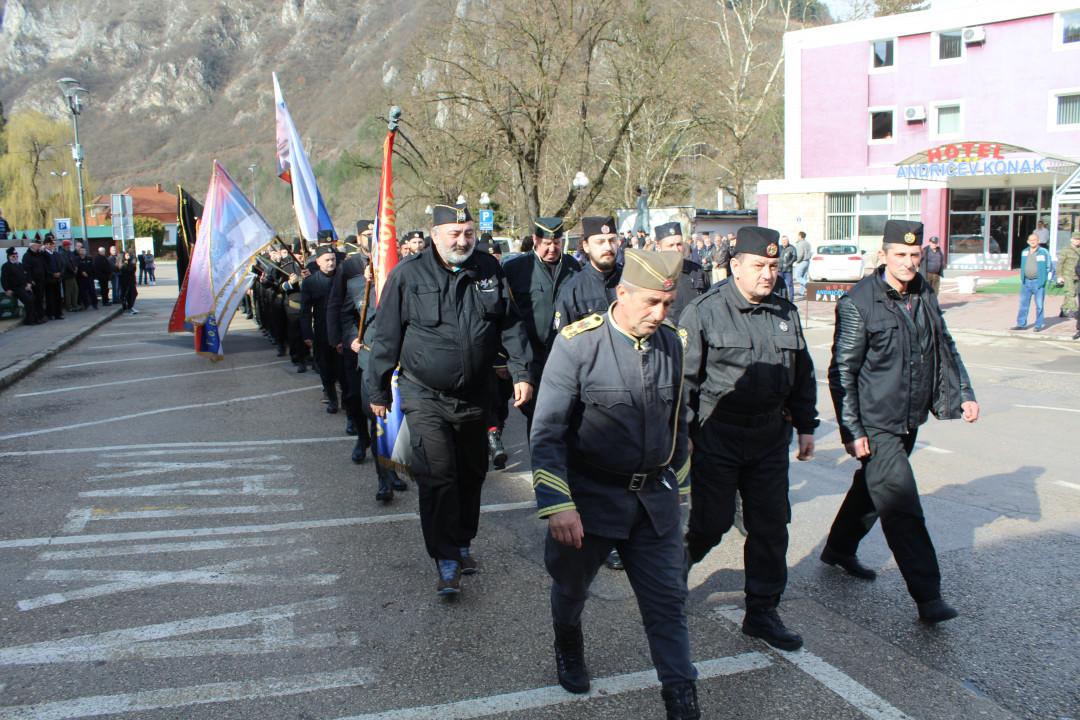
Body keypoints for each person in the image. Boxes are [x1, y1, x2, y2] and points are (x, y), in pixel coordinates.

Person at [531, 249, 699, 719]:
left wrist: (680, 491)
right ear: (621, 293)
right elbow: (546, 432)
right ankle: (568, 639)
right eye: (649, 303)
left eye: (667, 304)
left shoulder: (673, 343)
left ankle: (682, 701)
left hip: (653, 504)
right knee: (571, 588)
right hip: (589, 502)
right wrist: (558, 503)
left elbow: (677, 428)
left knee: (668, 605)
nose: (659, 314)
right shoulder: (577, 344)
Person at [366, 202, 532, 596]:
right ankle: (445, 559)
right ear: (435, 235)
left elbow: (509, 324)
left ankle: (462, 542)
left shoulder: (488, 269)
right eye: (454, 234)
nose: (462, 241)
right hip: (425, 395)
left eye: (468, 234)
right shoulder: (408, 276)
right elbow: (387, 336)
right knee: (438, 476)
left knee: (472, 473)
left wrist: (522, 371)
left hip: (476, 394)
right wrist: (377, 389)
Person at [824, 220, 979, 624]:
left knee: (870, 490)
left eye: (915, 256)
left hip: (909, 417)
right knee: (901, 505)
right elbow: (842, 371)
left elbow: (944, 344)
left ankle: (839, 547)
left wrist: (964, 392)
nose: (909, 263)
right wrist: (852, 431)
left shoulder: (923, 292)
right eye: (901, 255)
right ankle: (928, 596)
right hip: (876, 422)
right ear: (884, 255)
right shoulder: (859, 302)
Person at [681, 226, 818, 651]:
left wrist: (807, 425)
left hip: (768, 437)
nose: (768, 275)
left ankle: (762, 611)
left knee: (771, 526)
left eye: (774, 267)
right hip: (717, 435)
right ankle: (670, 572)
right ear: (735, 266)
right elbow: (684, 381)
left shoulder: (785, 312)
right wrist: (681, 437)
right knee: (713, 522)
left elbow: (802, 374)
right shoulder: (704, 311)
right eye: (759, 266)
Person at [552, 215, 626, 572]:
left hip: (629, 394)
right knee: (590, 473)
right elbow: (562, 348)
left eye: (613, 240)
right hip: (587, 399)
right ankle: (594, 536)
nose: (608, 247)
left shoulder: (631, 283)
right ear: (585, 246)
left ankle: (623, 536)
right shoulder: (573, 290)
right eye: (601, 241)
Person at [502, 217, 580, 432]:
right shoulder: (516, 269)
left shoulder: (573, 267)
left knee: (567, 419)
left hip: (565, 357)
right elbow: (505, 316)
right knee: (539, 421)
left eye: (557, 243)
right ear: (535, 240)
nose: (552, 248)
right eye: (546, 243)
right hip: (532, 357)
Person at [300, 246, 343, 413]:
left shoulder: (343, 279)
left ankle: (347, 401)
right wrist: (307, 334)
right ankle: (332, 399)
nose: (331, 263)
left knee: (344, 370)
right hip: (322, 332)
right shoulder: (311, 282)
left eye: (333, 259)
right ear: (318, 262)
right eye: (327, 260)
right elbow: (304, 311)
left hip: (341, 331)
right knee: (325, 368)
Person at [654, 221, 707, 320]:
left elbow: (708, 303)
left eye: (679, 244)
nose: (676, 249)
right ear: (658, 246)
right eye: (670, 245)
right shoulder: (652, 273)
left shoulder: (697, 271)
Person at [1012, 233, 1051, 332]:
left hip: (1038, 282)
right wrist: (1023, 278)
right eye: (1031, 240)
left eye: (1035, 240)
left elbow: (1049, 266)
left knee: (1039, 305)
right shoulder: (1024, 252)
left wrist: (1044, 280)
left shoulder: (1043, 252)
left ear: (1038, 241)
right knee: (1023, 304)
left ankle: (1038, 325)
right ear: (1028, 242)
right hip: (1026, 283)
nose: (1033, 241)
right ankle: (1021, 324)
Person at [2, 247, 35, 324]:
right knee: (28, 300)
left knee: (33, 298)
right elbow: (4, 279)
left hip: (24, 286)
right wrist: (7, 289)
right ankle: (29, 320)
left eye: (16, 256)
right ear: (9, 257)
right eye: (13, 256)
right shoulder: (6, 266)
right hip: (15, 288)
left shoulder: (20, 265)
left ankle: (33, 318)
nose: (15, 257)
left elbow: (26, 276)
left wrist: (29, 284)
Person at [22, 236, 49, 323]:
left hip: (41, 280)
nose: (39, 247)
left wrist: (43, 251)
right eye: (37, 245)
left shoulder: (39, 254)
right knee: (35, 300)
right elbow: (26, 270)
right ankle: (36, 317)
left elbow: (46, 261)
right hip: (34, 281)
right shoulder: (27, 256)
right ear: (32, 246)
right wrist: (30, 280)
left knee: (40, 299)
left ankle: (41, 315)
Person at [1055, 231, 1080, 319]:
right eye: (1076, 239)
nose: (1077, 241)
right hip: (1067, 275)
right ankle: (1075, 311)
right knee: (1070, 293)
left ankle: (1064, 309)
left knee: (1072, 293)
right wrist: (1059, 276)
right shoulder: (1065, 250)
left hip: (1077, 276)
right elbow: (1060, 264)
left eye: (1079, 239)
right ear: (1071, 240)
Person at [43, 235, 64, 320]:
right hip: (49, 279)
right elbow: (45, 267)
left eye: (53, 244)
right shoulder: (44, 255)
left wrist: (60, 273)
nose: (53, 246)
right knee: (50, 298)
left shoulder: (56, 254)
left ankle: (58, 313)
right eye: (51, 244)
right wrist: (52, 274)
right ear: (47, 245)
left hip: (57, 279)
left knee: (58, 297)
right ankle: (50, 314)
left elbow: (62, 264)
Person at [59, 240, 79, 312]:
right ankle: (69, 306)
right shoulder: (62, 253)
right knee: (68, 291)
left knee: (75, 290)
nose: (69, 246)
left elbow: (74, 261)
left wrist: (76, 267)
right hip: (67, 275)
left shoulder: (70, 253)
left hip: (73, 274)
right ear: (65, 246)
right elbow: (66, 263)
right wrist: (73, 270)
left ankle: (75, 304)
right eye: (68, 245)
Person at [76, 245, 97, 310]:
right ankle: (86, 304)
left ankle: (94, 304)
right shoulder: (77, 259)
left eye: (84, 251)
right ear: (79, 252)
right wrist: (81, 272)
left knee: (92, 291)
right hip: (81, 278)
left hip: (89, 277)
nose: (82, 252)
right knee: (83, 292)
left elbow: (92, 267)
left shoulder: (89, 258)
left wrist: (89, 274)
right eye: (81, 251)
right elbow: (77, 267)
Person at [119, 249, 138, 314]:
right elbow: (124, 269)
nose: (128, 256)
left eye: (129, 255)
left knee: (134, 293)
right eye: (127, 255)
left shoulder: (130, 262)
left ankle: (130, 306)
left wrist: (133, 264)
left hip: (131, 280)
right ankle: (127, 306)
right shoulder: (123, 262)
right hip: (125, 281)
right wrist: (126, 264)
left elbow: (133, 269)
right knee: (126, 294)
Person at [778, 234, 797, 299]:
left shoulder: (792, 248)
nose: (784, 242)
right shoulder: (779, 247)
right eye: (783, 241)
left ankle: (791, 299)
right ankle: (782, 298)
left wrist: (789, 264)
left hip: (788, 270)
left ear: (788, 241)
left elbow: (795, 257)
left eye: (785, 241)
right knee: (780, 285)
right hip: (779, 270)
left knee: (790, 285)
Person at [794, 231, 811, 297]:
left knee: (797, 277)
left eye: (798, 236)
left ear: (800, 236)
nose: (797, 237)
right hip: (807, 261)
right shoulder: (808, 243)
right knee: (803, 277)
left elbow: (800, 254)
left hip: (801, 261)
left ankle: (808, 285)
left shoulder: (800, 243)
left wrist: (797, 261)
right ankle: (801, 293)